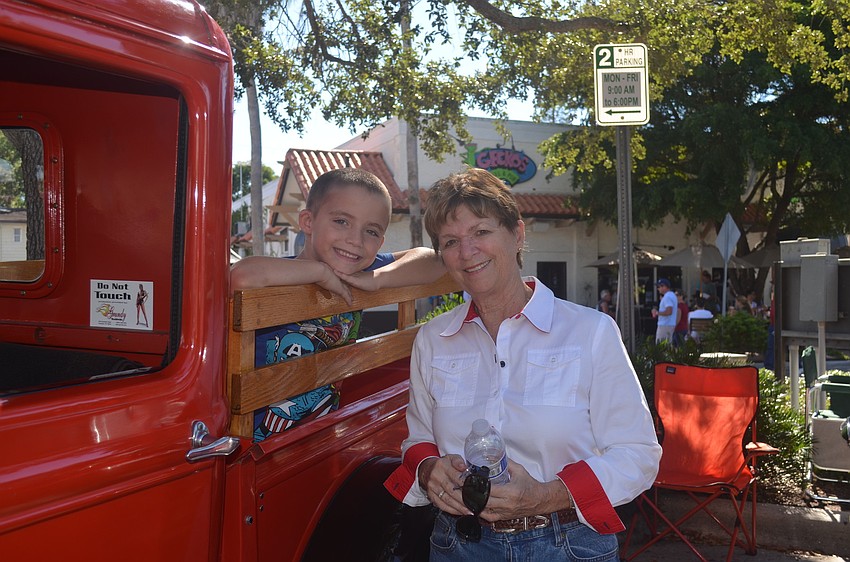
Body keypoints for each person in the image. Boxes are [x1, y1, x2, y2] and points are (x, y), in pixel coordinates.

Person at [383, 168, 661, 561]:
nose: (467, 252)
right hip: (457, 544)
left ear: (517, 234)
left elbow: (637, 453)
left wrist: (546, 496)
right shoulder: (432, 339)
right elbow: (417, 441)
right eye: (451, 241)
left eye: (481, 232)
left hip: (567, 544)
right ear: (443, 256)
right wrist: (429, 470)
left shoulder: (591, 331)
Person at [230, 168, 445, 440]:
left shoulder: (359, 271)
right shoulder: (279, 273)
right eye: (342, 221)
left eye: (370, 231)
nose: (355, 240)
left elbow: (433, 260)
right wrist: (319, 273)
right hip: (252, 443)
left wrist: (377, 279)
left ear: (379, 242)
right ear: (307, 222)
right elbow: (241, 275)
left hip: (316, 435)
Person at [653, 278, 677, 343]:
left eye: (659, 287)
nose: (658, 289)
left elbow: (669, 311)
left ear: (664, 286)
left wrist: (657, 313)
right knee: (667, 345)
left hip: (664, 325)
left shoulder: (667, 297)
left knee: (660, 345)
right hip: (670, 324)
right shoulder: (672, 295)